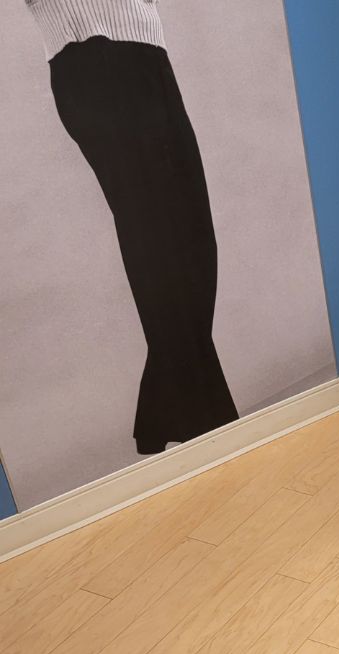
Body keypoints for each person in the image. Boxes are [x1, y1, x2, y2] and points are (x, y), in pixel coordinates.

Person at [26, 0, 239, 453]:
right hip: (98, 58)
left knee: (190, 242)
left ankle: (160, 422)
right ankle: (217, 433)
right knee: (162, 245)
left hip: (145, 57)